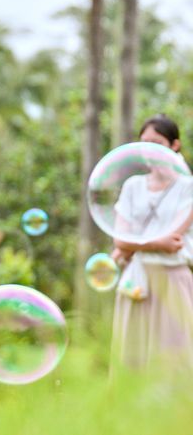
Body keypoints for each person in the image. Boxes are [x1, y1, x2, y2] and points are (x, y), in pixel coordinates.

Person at [111, 113, 193, 376]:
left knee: (175, 360)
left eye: (156, 142)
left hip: (173, 280)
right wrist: (157, 242)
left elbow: (175, 238)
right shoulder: (132, 186)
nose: (149, 149)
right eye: (144, 142)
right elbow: (119, 239)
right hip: (136, 281)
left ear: (174, 146)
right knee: (132, 359)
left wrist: (133, 245)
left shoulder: (188, 186)